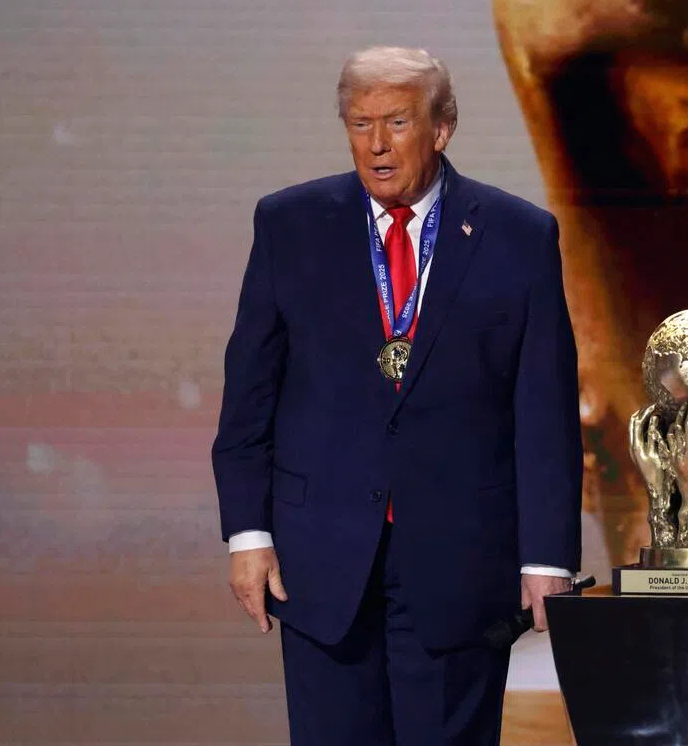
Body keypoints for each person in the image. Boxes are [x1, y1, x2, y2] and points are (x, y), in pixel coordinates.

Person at [211, 45, 582, 746]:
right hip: (320, 563)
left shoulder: (519, 237)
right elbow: (250, 397)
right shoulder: (289, 225)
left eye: (397, 124)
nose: (376, 146)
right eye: (359, 124)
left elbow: (544, 413)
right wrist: (248, 534)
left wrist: (547, 558)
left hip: (460, 565)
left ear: (442, 128)